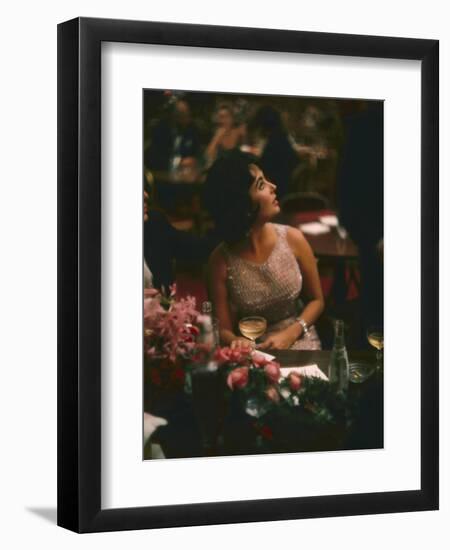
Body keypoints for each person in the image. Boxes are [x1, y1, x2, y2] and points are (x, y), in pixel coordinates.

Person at [205, 151, 324, 350]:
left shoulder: (293, 238)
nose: (273, 187)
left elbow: (317, 301)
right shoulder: (220, 261)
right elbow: (223, 329)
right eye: (261, 185)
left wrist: (292, 333)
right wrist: (236, 341)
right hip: (253, 348)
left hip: (300, 339)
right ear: (242, 203)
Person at [248, 105, 299, 200]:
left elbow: (264, 167)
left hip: (277, 187)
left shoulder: (274, 140)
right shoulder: (281, 136)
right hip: (286, 184)